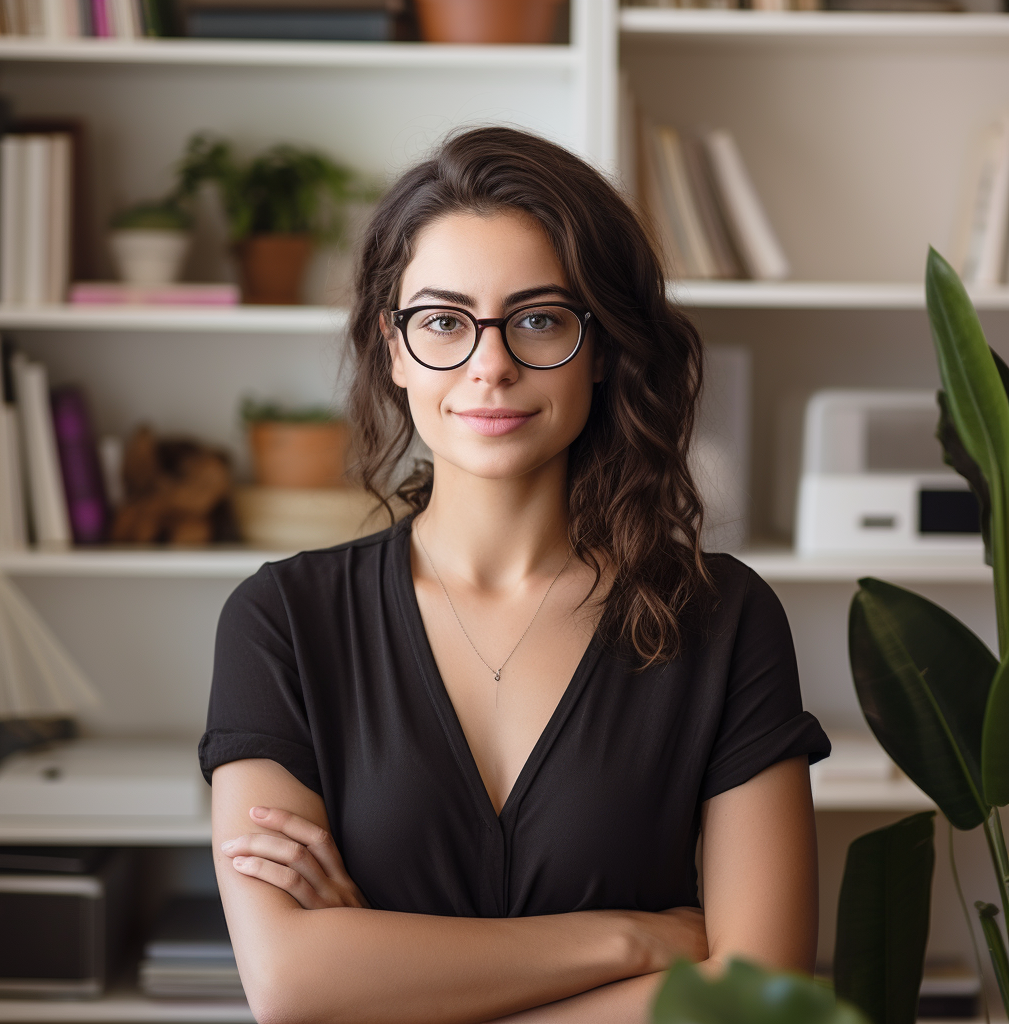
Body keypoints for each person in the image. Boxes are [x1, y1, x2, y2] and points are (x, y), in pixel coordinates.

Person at [199, 126, 831, 1024]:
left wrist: (390, 985)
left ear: (603, 347)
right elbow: (294, 986)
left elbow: (758, 999)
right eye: (444, 322)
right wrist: (636, 940)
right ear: (393, 348)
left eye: (539, 319)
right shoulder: (283, 621)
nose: (489, 365)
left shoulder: (722, 617)